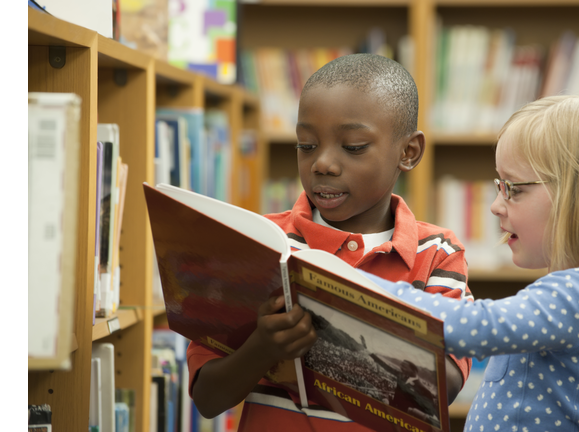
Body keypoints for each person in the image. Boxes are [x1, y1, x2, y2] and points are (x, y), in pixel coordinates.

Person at [187, 53, 475, 431]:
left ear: (408, 152)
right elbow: (208, 399)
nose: (322, 163)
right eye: (306, 145)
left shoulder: (437, 255)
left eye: (353, 147)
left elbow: (444, 387)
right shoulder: (256, 244)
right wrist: (262, 349)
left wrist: (344, 338)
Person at [361, 94, 579, 432]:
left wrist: (360, 286)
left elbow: (473, 326)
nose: (495, 206)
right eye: (498, 186)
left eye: (514, 189)